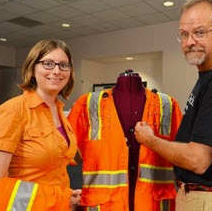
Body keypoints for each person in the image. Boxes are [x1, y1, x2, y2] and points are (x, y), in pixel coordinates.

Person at [134, 0, 212, 211]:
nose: (190, 42)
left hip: (210, 201)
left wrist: (150, 140)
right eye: (184, 34)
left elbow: (197, 160)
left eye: (199, 32)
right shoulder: (210, 78)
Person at [0, 39, 82, 211]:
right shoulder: (14, 110)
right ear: (32, 69)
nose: (57, 71)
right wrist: (60, 198)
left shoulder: (59, 111)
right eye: (48, 64)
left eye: (64, 65)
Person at [67, 69, 182, 211]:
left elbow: (183, 157)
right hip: (105, 205)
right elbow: (64, 157)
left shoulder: (168, 105)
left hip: (154, 204)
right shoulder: (87, 104)